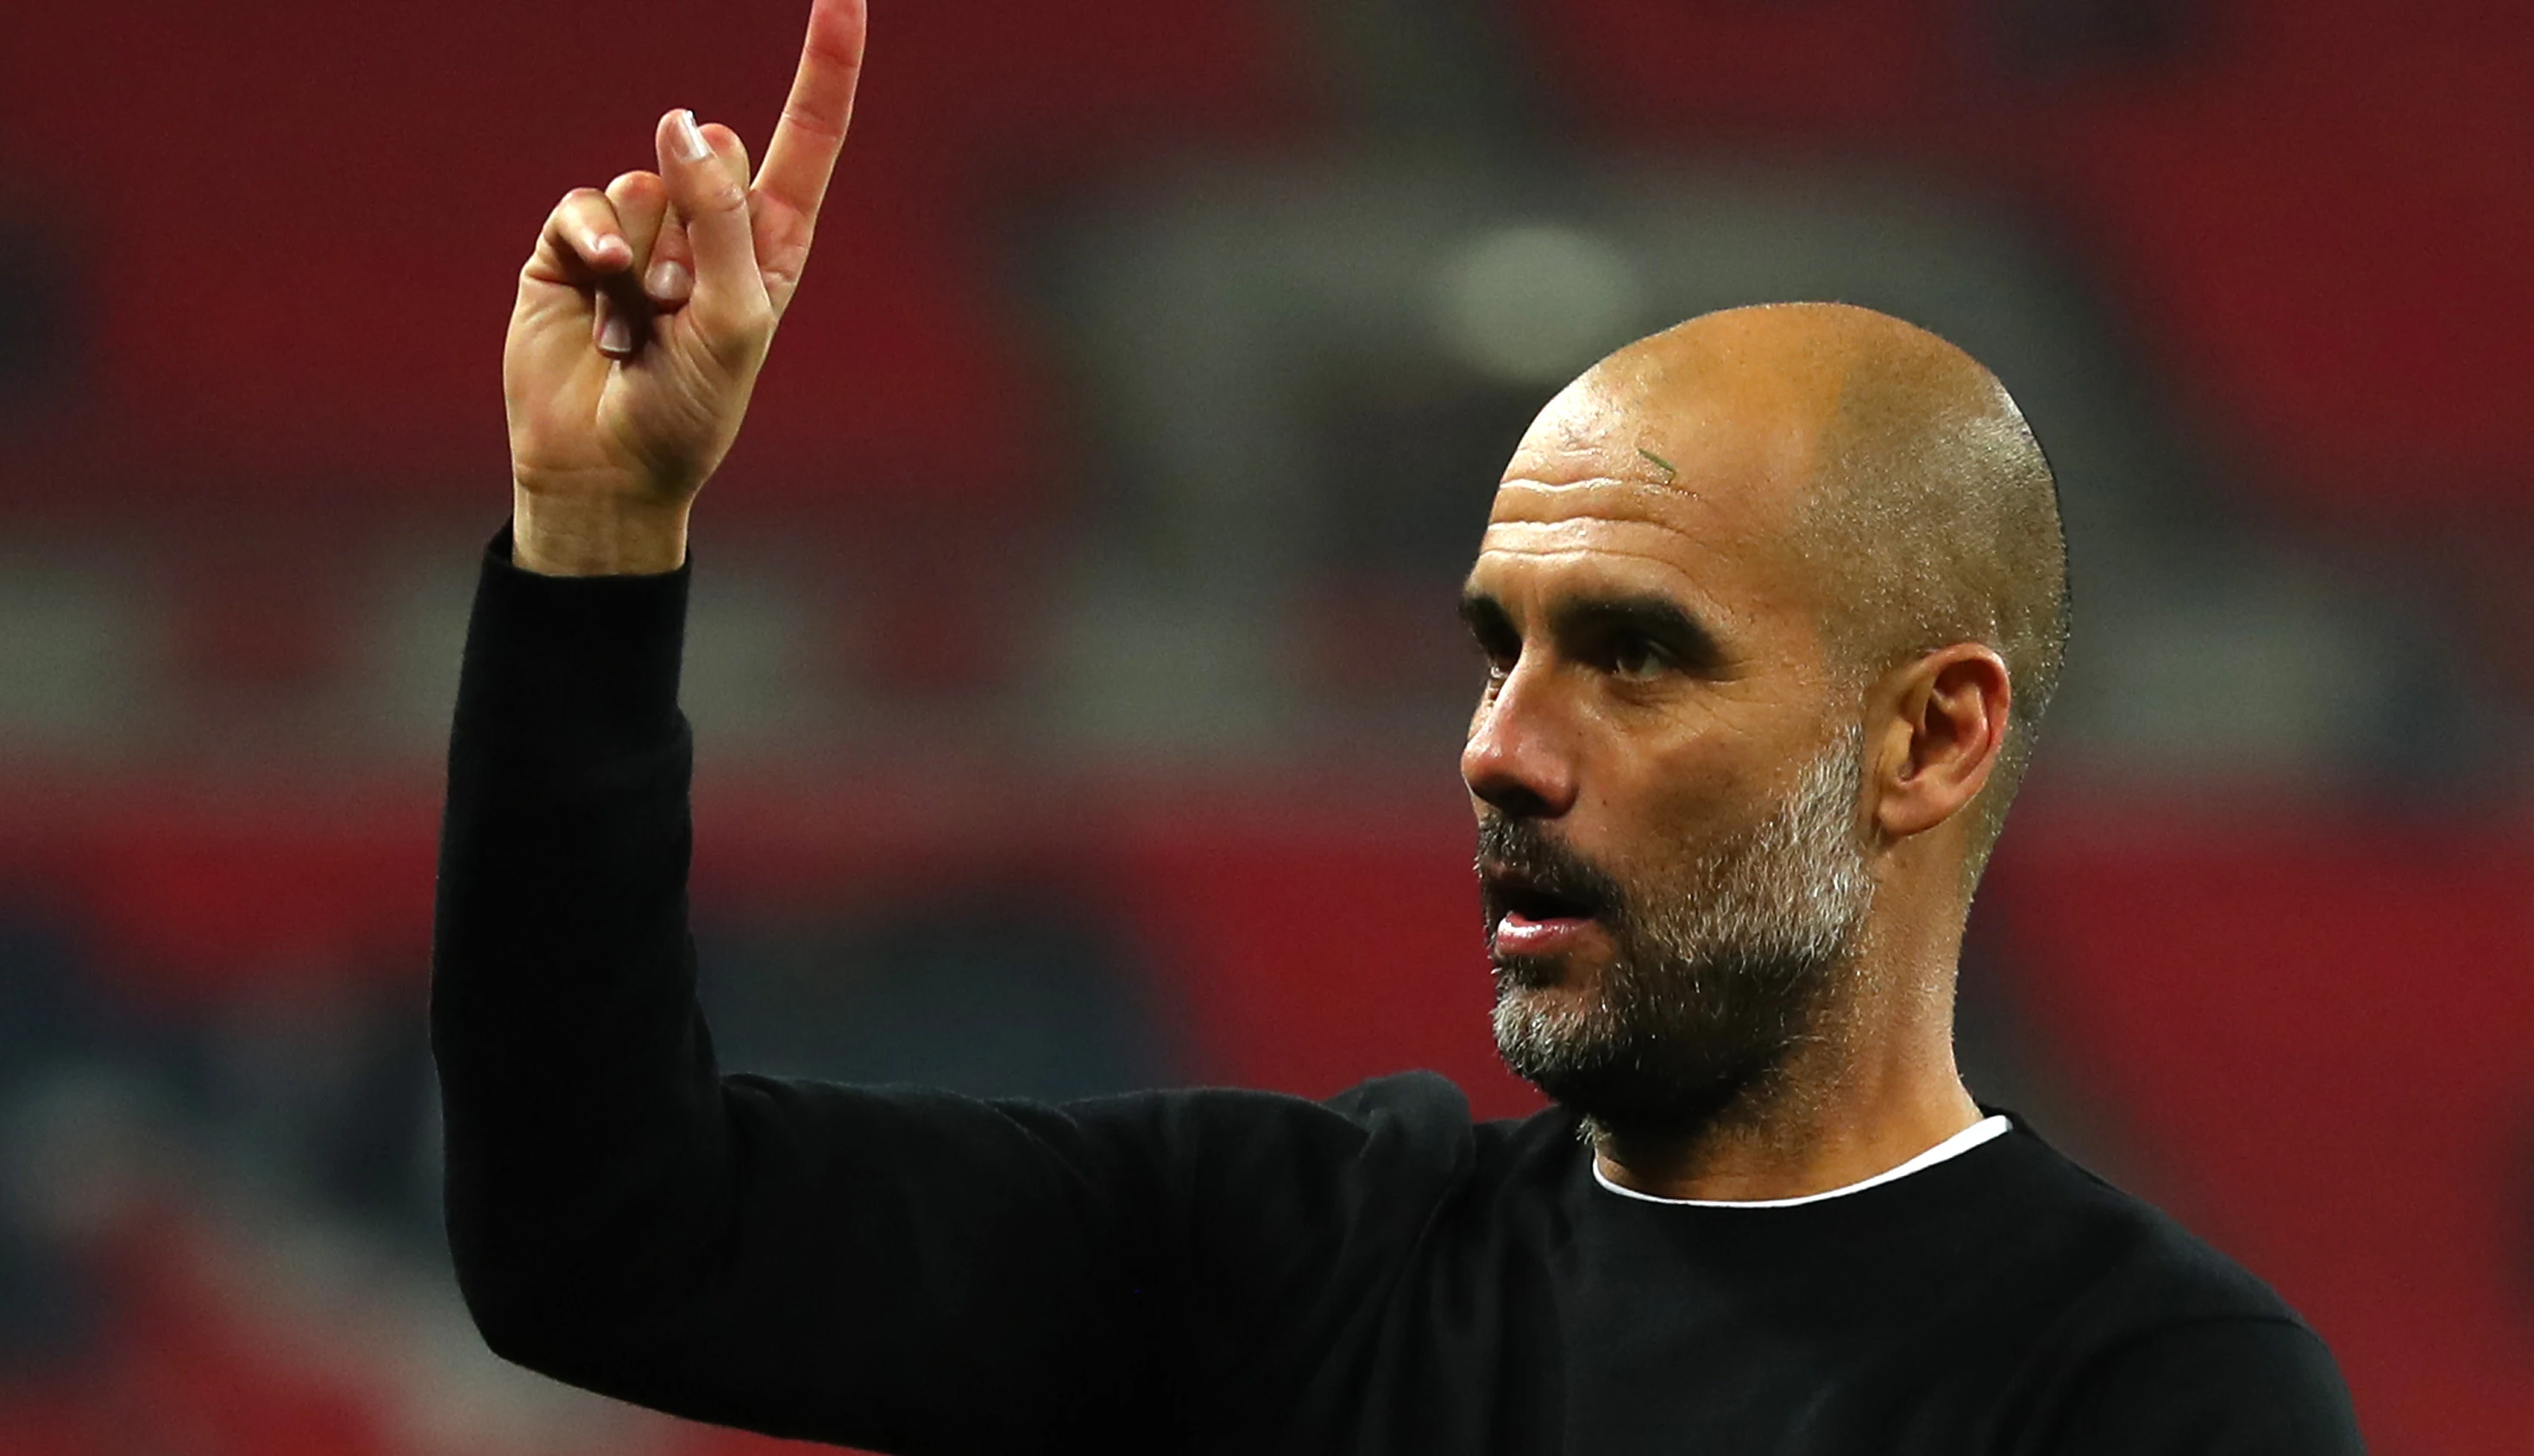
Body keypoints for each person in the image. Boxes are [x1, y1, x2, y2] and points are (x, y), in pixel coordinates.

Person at [431, 1, 2365, 1449]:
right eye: (1495, 648)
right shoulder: (1310, 1257)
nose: (1500, 746)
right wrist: (600, 542)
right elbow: (607, 1238)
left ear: (1929, 738)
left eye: (1634, 655)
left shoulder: (2152, 1391)